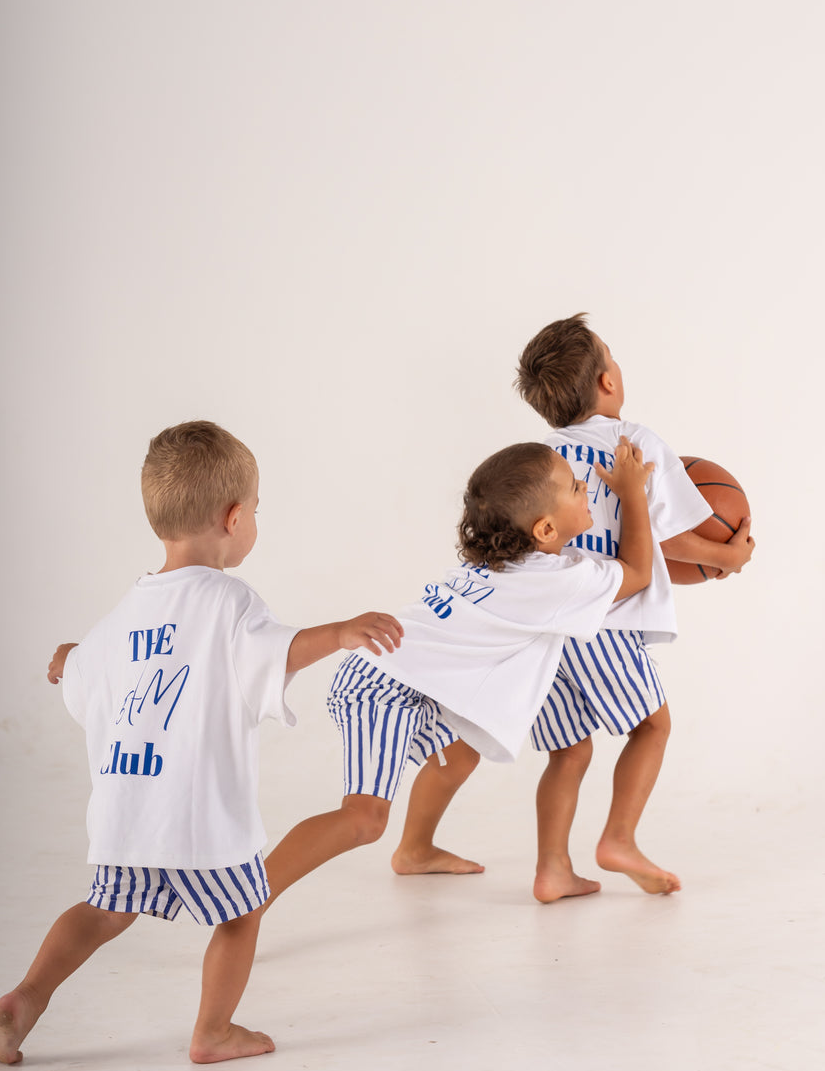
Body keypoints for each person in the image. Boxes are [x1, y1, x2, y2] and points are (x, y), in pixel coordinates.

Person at [0, 420, 401, 1067]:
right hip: (199, 819)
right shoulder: (230, 602)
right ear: (233, 518)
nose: (255, 521)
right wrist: (339, 632)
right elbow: (275, 650)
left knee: (104, 912)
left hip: (126, 815)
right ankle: (212, 1032)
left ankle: (25, 998)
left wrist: (68, 657)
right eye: (257, 509)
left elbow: (85, 667)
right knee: (242, 913)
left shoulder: (128, 609)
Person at [259, 436, 655, 911]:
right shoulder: (558, 582)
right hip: (382, 683)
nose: (586, 487)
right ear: (546, 528)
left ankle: (415, 851)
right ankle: (249, 902)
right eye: (575, 486)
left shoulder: (503, 562)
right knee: (364, 819)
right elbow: (639, 572)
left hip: (409, 678)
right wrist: (632, 491)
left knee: (460, 752)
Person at [515, 313, 755, 902]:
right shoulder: (635, 442)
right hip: (605, 619)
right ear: (608, 381)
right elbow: (668, 540)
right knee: (652, 726)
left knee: (569, 749)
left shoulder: (536, 459)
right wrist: (728, 557)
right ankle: (618, 839)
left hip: (542, 624)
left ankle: (552, 870)